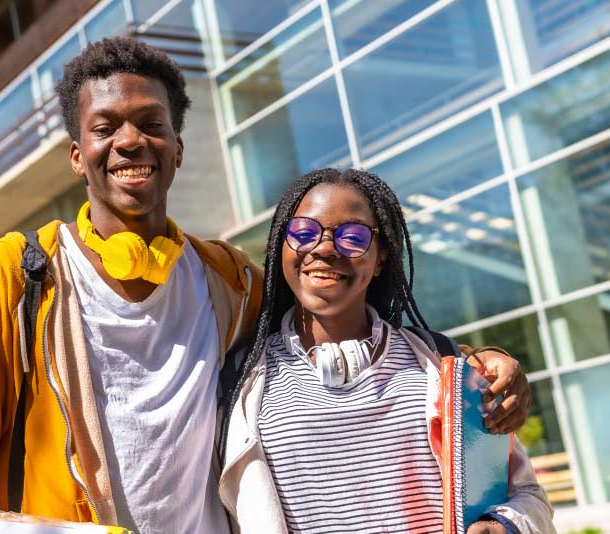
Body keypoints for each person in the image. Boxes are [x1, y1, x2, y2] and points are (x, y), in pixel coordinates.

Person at [0, 38, 534, 534]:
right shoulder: (19, 275)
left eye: (151, 123)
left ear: (178, 149)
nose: (130, 141)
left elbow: (335, 314)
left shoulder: (227, 282)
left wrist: (486, 364)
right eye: (105, 128)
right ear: (77, 154)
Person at [217, 168, 554, 534]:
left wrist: (501, 526)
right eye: (303, 232)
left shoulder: (442, 366)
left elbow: (527, 495)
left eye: (353, 236)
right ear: (280, 247)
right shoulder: (240, 381)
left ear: (380, 258)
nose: (325, 248)